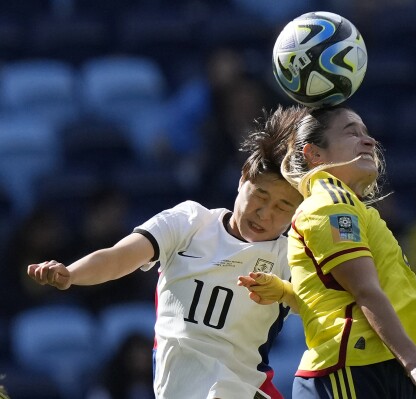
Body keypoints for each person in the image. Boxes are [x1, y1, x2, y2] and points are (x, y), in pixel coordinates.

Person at [27, 104, 308, 399]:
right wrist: (71, 274)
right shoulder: (190, 222)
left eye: (282, 207)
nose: (264, 214)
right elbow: (119, 257)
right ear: (242, 179)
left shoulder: (290, 256)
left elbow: (326, 306)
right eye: (260, 196)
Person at [239, 105, 416, 398]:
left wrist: (288, 293)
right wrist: (414, 360)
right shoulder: (330, 202)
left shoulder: (342, 204)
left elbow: (337, 296)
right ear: (314, 154)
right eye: (352, 133)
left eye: (367, 133)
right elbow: (364, 291)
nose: (369, 141)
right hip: (352, 370)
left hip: (376, 366)